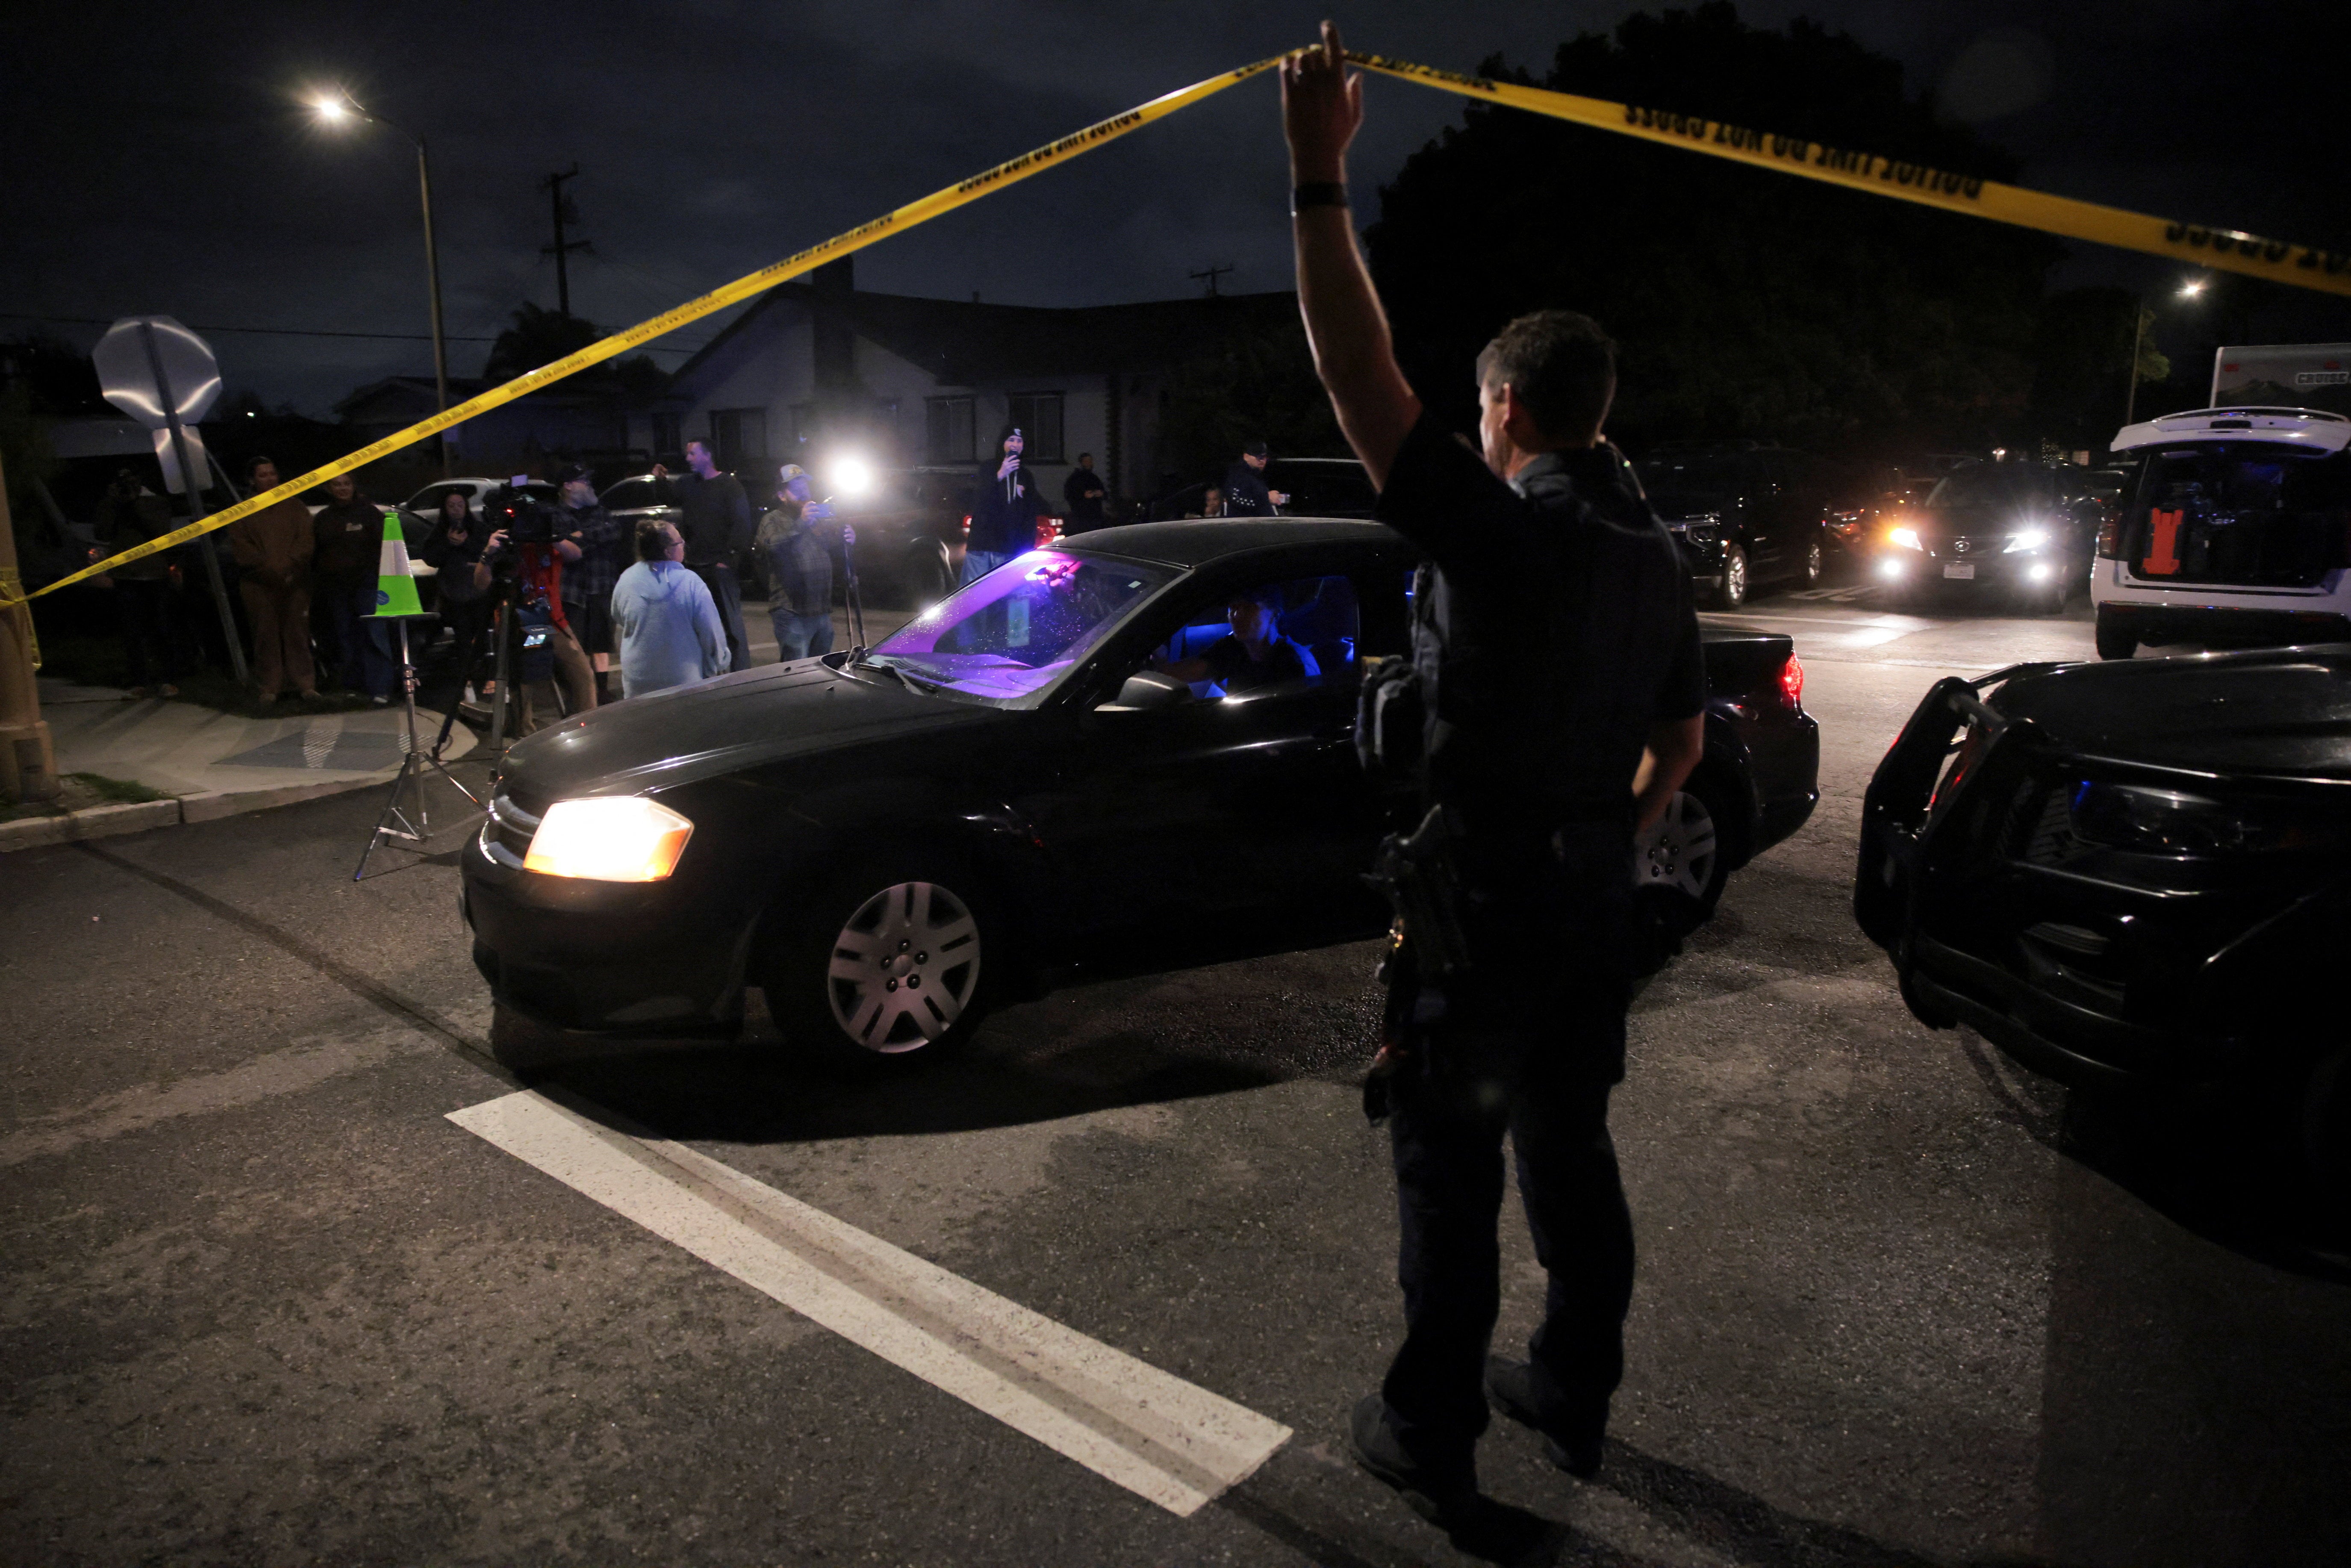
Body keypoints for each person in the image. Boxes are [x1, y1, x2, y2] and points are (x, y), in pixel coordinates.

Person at [1284, 24, 1706, 1528]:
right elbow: (1687, 739)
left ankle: (1432, 1421)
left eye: (1481, 413)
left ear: (1510, 410)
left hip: (1485, 903)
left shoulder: (1507, 534)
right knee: (1572, 1146)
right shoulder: (1654, 559)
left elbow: (1352, 369)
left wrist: (1318, 176)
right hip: (1595, 893)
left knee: (1450, 1174)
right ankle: (1573, 1380)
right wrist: (1619, 832)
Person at [473, 481, 596, 733]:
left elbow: (575, 554)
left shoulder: (546, 540)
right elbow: (481, 584)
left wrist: (552, 534)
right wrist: (488, 553)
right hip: (517, 621)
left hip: (552, 619)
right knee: (524, 683)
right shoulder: (504, 542)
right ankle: (524, 736)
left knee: (583, 676)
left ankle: (585, 731)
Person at [650, 439, 753, 675]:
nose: (688, 459)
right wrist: (660, 480)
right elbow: (669, 498)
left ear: (708, 455)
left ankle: (741, 675)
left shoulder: (729, 485)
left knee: (730, 624)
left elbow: (742, 524)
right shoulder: (689, 484)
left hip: (719, 567)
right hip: (694, 565)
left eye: (693, 454)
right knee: (697, 623)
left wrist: (728, 559)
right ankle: (706, 674)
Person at [225, 456, 317, 702]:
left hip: (295, 582)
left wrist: (289, 568)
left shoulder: (296, 507)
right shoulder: (242, 511)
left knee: (297, 632)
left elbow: (306, 541)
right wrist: (270, 571)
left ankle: (305, 684)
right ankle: (270, 686)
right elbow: (242, 549)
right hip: (259, 585)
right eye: (263, 475)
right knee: (265, 635)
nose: (269, 479)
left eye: (272, 473)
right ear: (253, 480)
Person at [610, 520, 731, 698]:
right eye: (679, 542)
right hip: (683, 681)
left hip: (637, 682)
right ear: (668, 551)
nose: (683, 545)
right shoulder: (691, 582)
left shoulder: (627, 579)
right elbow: (710, 631)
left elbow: (618, 615)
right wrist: (719, 663)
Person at [92, 470, 183, 698]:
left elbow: (159, 531)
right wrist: (113, 503)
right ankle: (139, 681)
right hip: (125, 577)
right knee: (132, 632)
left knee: (162, 628)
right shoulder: (112, 504)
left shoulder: (157, 502)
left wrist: (134, 504)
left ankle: (168, 679)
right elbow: (103, 532)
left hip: (155, 574)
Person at [311, 474, 396, 704]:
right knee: (346, 637)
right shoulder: (324, 518)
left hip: (369, 586)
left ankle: (381, 688)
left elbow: (385, 549)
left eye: (347, 483)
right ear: (330, 488)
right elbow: (317, 554)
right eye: (337, 484)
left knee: (374, 635)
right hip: (337, 588)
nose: (342, 488)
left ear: (354, 485)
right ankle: (354, 686)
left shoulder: (370, 514)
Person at [551, 464, 625, 701]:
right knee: (577, 646)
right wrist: (586, 539)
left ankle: (601, 692)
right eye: (584, 481)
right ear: (569, 485)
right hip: (573, 592)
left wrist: (582, 537)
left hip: (600, 587)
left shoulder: (600, 511)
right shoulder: (558, 515)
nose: (590, 485)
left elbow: (614, 531)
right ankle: (580, 693)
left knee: (601, 643)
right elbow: (570, 550)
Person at [1153, 586, 1311, 695]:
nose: (1236, 616)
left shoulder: (1295, 661)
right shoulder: (1233, 647)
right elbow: (1178, 675)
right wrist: (1159, 657)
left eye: (1248, 608)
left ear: (1275, 614)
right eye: (1233, 608)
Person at [755, 464, 836, 660]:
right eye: (796, 490)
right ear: (782, 495)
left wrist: (847, 540)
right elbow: (773, 546)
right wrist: (802, 523)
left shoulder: (817, 519)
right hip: (792, 613)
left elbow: (830, 551)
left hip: (821, 611)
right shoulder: (772, 520)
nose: (803, 494)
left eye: (805, 488)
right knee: (796, 674)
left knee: (822, 674)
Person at [419, 490, 490, 701]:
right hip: (454, 593)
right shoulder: (439, 531)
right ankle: (465, 681)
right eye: (452, 506)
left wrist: (465, 545)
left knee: (483, 636)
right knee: (462, 637)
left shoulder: (478, 528)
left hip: (479, 590)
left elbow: (488, 550)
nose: (457, 509)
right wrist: (449, 543)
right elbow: (430, 557)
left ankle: (484, 678)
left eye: (460, 504)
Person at [965, 426, 1037, 584]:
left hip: (1011, 549)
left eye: (1019, 441)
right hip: (983, 546)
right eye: (1011, 440)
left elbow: (1030, 513)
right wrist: (1000, 475)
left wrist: (1028, 545)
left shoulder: (1025, 475)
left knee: (1009, 599)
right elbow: (979, 501)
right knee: (977, 597)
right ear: (1002, 443)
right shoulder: (988, 468)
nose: (1015, 444)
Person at [1223, 440, 1290, 516]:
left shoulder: (1257, 476)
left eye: (1265, 458)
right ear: (1246, 457)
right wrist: (1266, 498)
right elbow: (1235, 499)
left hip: (1259, 525)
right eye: (1259, 457)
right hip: (1246, 526)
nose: (1262, 461)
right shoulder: (1237, 475)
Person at [1062, 451, 1109, 532]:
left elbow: (1104, 494)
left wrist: (1102, 494)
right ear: (1081, 463)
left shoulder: (1095, 478)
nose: (1089, 463)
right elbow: (1069, 495)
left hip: (1096, 517)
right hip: (1081, 517)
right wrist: (1083, 496)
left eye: (1090, 461)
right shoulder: (1074, 479)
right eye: (1086, 461)